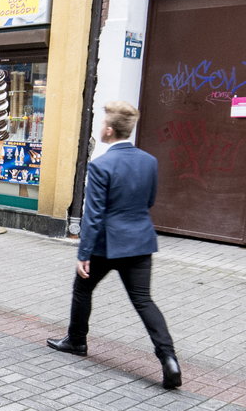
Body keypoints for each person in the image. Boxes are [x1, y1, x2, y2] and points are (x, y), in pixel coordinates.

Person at [47, 101, 181, 389]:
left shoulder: (101, 165)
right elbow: (149, 201)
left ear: (108, 131)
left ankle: (77, 341)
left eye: (102, 125)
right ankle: (169, 359)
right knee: (144, 301)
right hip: (140, 241)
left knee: (82, 288)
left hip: (107, 244)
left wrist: (84, 253)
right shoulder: (149, 161)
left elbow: (94, 215)